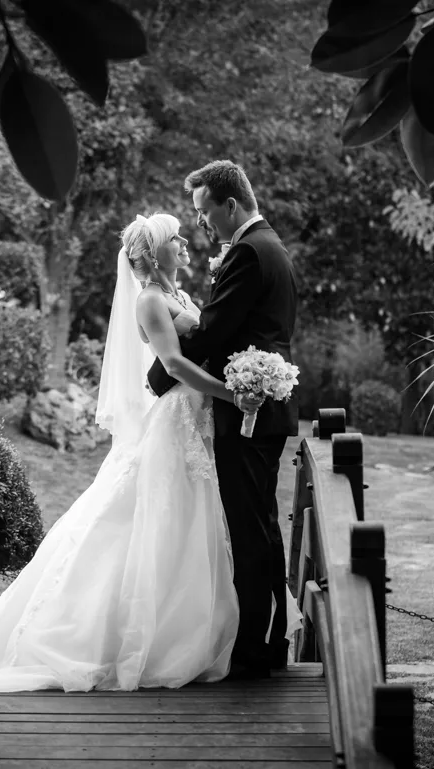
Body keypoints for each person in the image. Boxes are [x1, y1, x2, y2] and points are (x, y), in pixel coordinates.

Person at [0, 212, 298, 693]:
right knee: (150, 518)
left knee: (188, 524)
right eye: (176, 238)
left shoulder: (179, 296)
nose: (185, 242)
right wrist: (230, 393)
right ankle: (118, 635)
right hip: (176, 419)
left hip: (195, 419)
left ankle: (196, 629)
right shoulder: (151, 301)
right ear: (155, 254)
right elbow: (172, 363)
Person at [146, 160, 300, 679]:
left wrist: (161, 373)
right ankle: (268, 641)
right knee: (260, 528)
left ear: (229, 204)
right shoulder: (270, 246)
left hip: (250, 410)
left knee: (251, 529)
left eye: (204, 211)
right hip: (263, 403)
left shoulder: (250, 254)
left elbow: (212, 332)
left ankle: (256, 651)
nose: (201, 224)